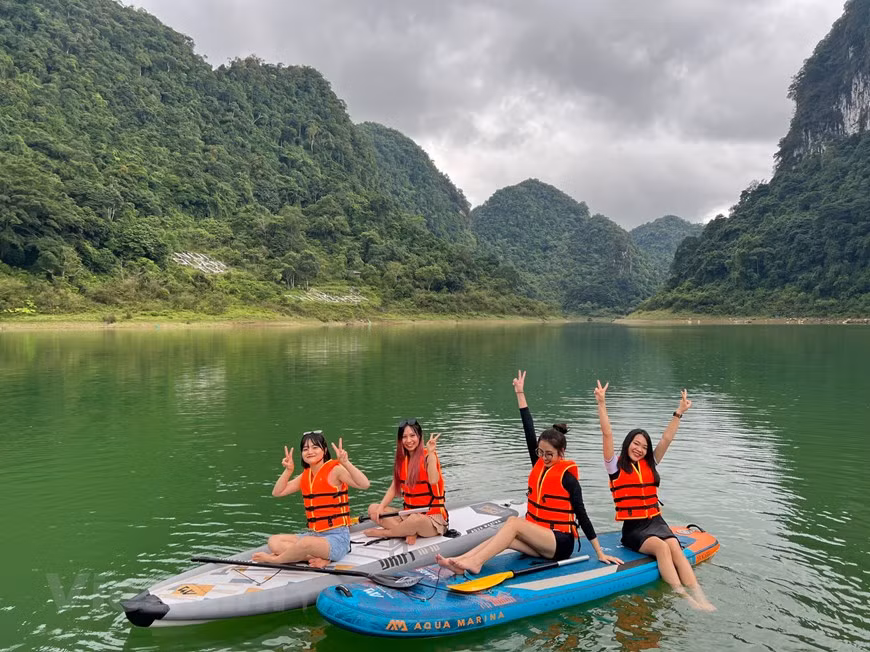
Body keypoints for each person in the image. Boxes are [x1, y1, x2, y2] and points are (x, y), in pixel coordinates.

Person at [436, 371, 622, 574]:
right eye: (540, 452)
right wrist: (520, 393)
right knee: (507, 537)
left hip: (560, 543)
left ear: (561, 453)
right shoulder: (539, 464)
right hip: (540, 539)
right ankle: (461, 562)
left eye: (549, 454)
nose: (544, 458)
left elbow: (582, 516)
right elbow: (528, 428)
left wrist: (600, 553)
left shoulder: (568, 478)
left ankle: (476, 563)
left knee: (513, 523)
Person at [594, 380, 715, 611]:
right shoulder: (615, 467)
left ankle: (700, 594)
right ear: (628, 444)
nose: (639, 449)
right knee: (661, 548)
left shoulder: (650, 464)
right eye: (635, 443)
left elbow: (666, 440)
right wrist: (602, 403)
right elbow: (607, 434)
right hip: (634, 529)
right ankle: (684, 597)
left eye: (643, 446)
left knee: (673, 545)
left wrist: (679, 413)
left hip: (656, 521)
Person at [252, 430, 370, 568]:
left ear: (324, 450)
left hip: (337, 538)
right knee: (274, 541)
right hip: (315, 535)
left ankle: (277, 560)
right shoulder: (306, 476)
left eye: (315, 447)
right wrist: (288, 471)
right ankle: (320, 557)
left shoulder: (336, 470)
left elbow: (364, 484)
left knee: (305, 543)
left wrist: (346, 462)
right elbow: (278, 492)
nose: (310, 452)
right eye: (305, 449)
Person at [364, 419, 448, 545]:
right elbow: (394, 487)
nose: (409, 440)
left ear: (419, 436)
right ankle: (409, 532)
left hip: (432, 518)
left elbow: (433, 480)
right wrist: (380, 508)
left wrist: (431, 453)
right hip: (408, 514)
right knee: (373, 509)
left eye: (412, 435)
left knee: (415, 520)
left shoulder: (429, 457)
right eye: (404, 437)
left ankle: (387, 533)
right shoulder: (402, 460)